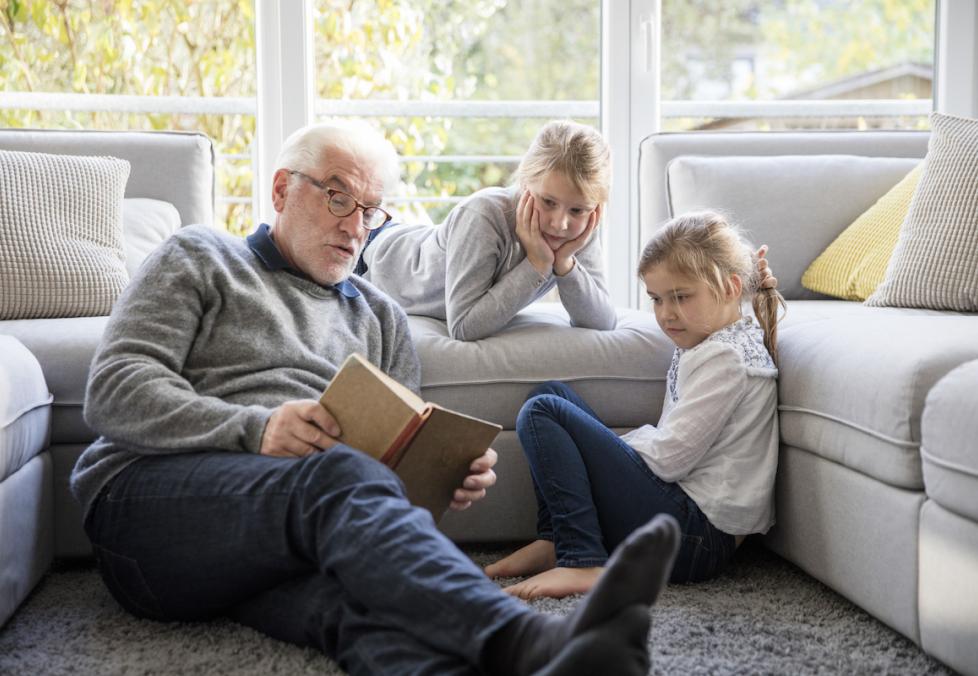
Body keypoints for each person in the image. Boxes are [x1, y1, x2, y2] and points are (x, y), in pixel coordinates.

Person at [71, 119, 685, 676]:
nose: (354, 225)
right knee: (333, 476)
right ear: (282, 190)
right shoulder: (202, 256)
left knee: (363, 609)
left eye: (370, 209)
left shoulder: (382, 320)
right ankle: (532, 641)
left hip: (284, 541)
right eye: (338, 196)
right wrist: (255, 430)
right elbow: (115, 391)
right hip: (149, 514)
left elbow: (387, 489)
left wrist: (443, 476)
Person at [486, 210, 786, 600]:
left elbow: (671, 458)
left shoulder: (726, 359)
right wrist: (599, 449)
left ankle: (582, 559)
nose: (666, 314)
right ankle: (556, 539)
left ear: (730, 288)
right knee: (550, 393)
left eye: (680, 297)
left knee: (545, 412)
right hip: (684, 524)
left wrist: (604, 449)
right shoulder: (709, 343)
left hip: (695, 540)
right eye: (657, 299)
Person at [360, 119, 616, 341]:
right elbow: (463, 327)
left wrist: (565, 264)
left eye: (577, 210)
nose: (560, 224)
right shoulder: (483, 215)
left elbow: (602, 321)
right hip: (370, 253)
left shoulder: (578, 231)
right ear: (525, 183)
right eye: (548, 202)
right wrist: (537, 265)